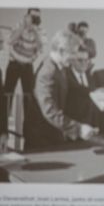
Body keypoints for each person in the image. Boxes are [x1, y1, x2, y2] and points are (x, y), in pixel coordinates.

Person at [26, 29, 98, 150]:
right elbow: (49, 111)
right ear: (61, 51)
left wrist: (98, 93)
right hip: (40, 138)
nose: (75, 57)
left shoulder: (60, 67)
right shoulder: (48, 72)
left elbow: (75, 88)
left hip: (54, 133)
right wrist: (78, 129)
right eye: (73, 53)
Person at [3, 9, 44, 139]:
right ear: (27, 16)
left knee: (29, 97)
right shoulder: (18, 25)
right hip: (14, 64)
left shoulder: (40, 30)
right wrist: (23, 28)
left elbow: (41, 47)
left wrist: (35, 30)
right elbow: (10, 41)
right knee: (6, 95)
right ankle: (2, 131)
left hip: (27, 65)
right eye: (32, 16)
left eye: (36, 17)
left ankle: (30, 132)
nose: (34, 20)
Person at [64, 48, 97, 126]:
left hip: (89, 125)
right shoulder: (65, 75)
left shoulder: (90, 77)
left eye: (86, 60)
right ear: (72, 61)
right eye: (80, 60)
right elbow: (78, 89)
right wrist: (97, 92)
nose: (84, 63)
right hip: (71, 125)